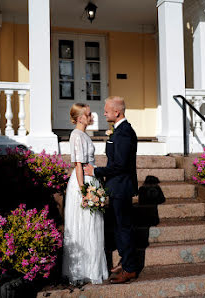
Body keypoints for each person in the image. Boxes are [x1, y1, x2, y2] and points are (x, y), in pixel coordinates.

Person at [84, 96, 138, 284]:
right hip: (116, 185)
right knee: (119, 227)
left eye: (107, 110)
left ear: (117, 112)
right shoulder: (119, 130)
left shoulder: (124, 133)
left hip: (121, 186)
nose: (104, 112)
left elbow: (120, 165)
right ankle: (125, 262)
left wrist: (96, 171)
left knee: (124, 228)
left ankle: (130, 269)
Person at [62, 103, 108, 285]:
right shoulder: (76, 135)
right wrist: (83, 192)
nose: (91, 117)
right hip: (83, 183)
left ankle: (92, 266)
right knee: (84, 224)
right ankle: (82, 269)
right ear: (80, 118)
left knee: (93, 225)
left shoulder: (83, 134)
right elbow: (78, 165)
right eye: (88, 115)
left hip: (91, 179)